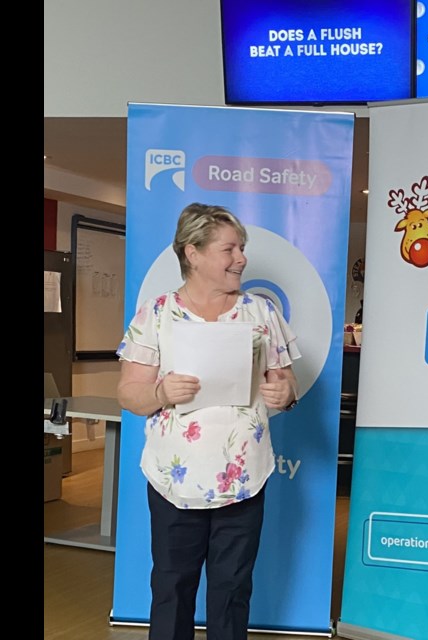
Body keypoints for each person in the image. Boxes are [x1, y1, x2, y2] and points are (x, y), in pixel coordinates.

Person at [116, 203, 300, 640]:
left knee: (232, 588)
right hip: (173, 480)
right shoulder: (157, 315)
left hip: (244, 478)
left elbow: (285, 380)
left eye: (242, 248)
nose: (241, 258)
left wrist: (285, 393)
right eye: (229, 249)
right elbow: (128, 392)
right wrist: (160, 392)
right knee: (171, 587)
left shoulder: (261, 313)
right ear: (192, 253)